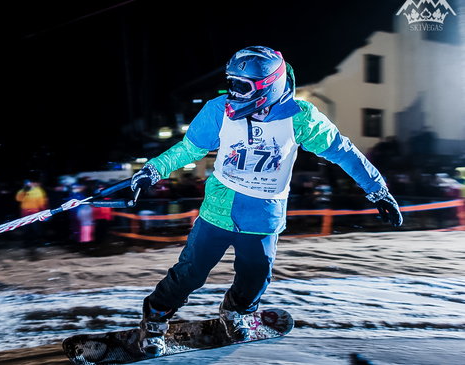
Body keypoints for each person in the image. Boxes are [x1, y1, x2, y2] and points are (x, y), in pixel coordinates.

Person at [130, 46, 403, 356]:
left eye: (241, 85)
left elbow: (342, 150)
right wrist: (151, 171)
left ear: (268, 85)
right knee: (191, 272)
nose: (231, 91)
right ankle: (155, 318)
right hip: (218, 210)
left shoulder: (300, 119)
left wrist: (378, 190)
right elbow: (188, 149)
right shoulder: (219, 110)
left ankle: (237, 312)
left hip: (263, 215)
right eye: (230, 82)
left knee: (257, 274)